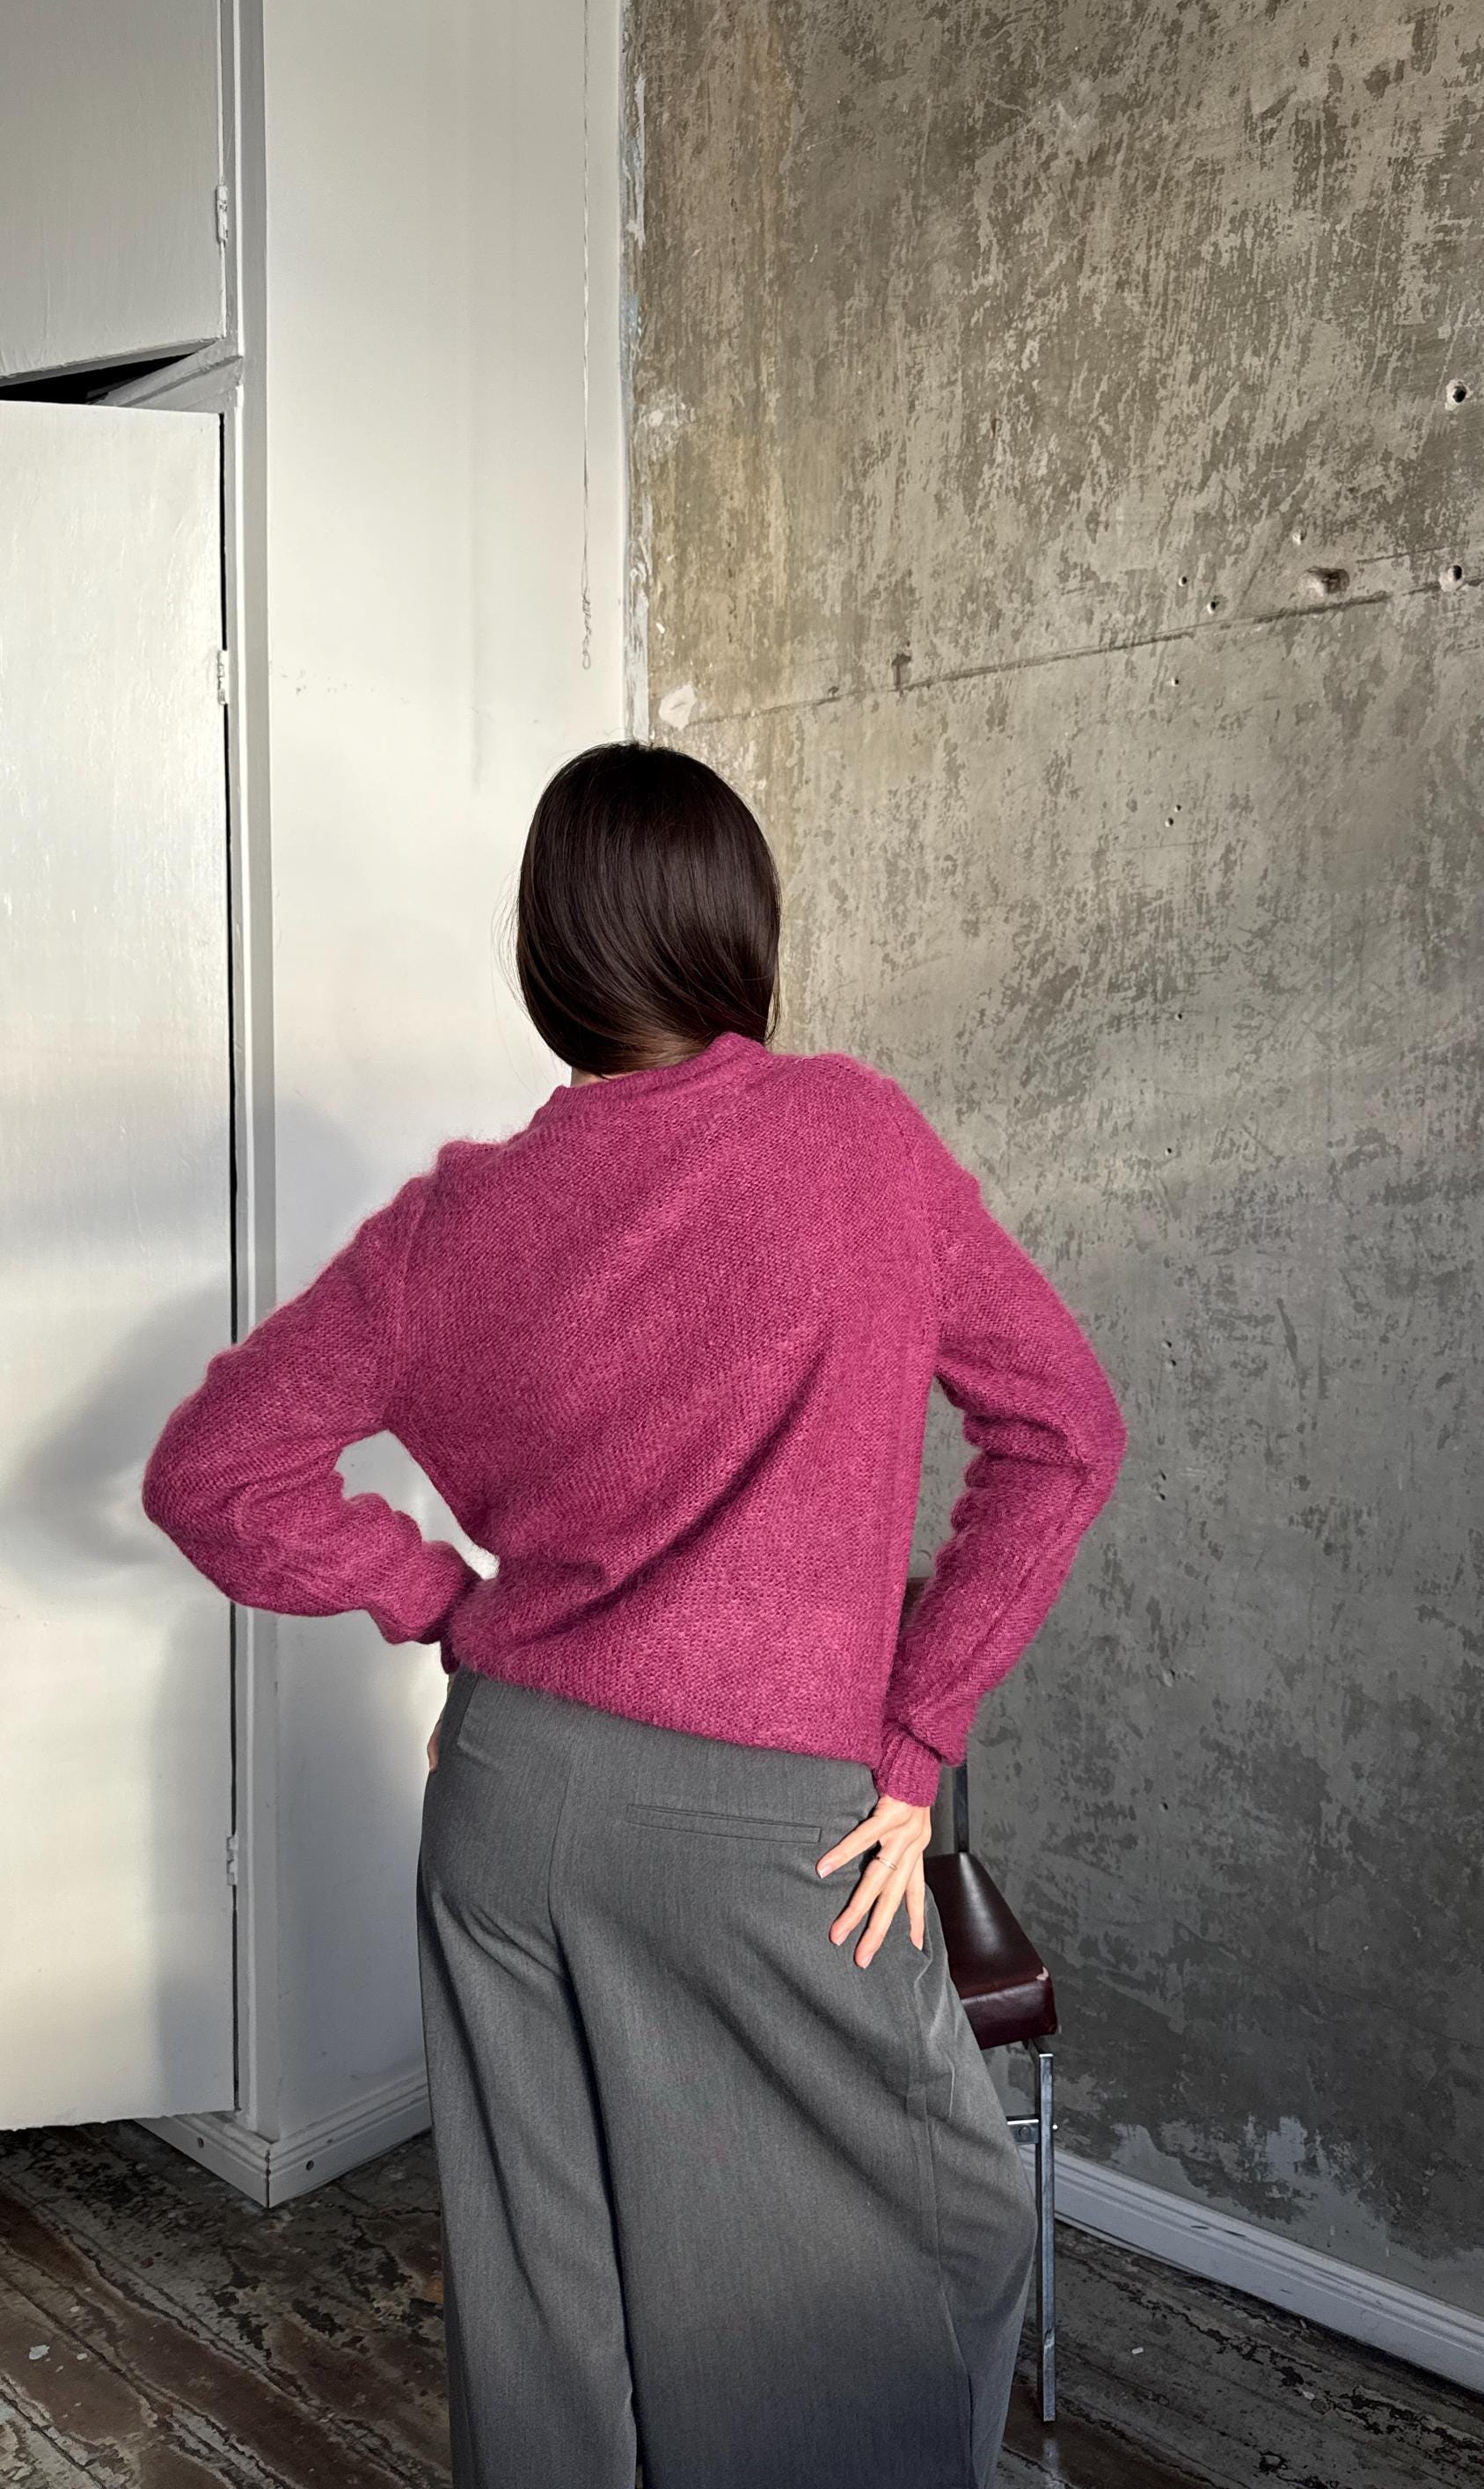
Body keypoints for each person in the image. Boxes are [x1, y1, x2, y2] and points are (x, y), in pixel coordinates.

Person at [141, 738, 1127, 2489]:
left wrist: (453, 1610)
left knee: (557, 2305)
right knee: (911, 2265)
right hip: (768, 1833)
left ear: (551, 963)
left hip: (510, 1803)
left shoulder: (459, 1223)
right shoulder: (852, 1142)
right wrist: (912, 1747)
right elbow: (1064, 1429)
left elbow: (214, 1473)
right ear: (740, 933)